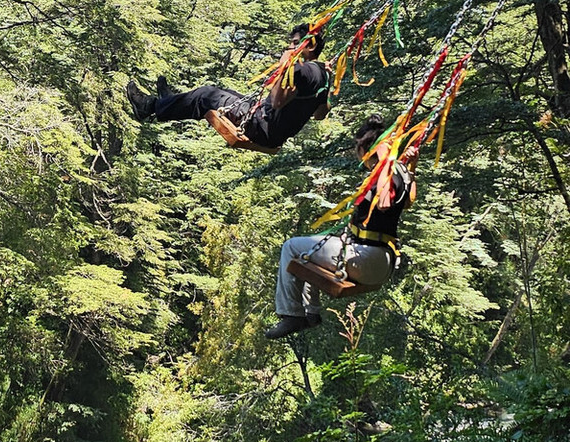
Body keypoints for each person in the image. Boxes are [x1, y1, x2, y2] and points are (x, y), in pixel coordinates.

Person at [265, 114, 417, 340]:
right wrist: (412, 164)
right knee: (309, 251)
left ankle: (292, 315)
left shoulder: (384, 172)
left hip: (367, 259)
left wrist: (384, 161)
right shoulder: (401, 171)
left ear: (366, 151)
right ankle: (311, 314)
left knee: (291, 247)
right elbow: (407, 201)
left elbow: (385, 204)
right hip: (383, 262)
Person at [126, 24, 331, 149]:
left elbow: (277, 101)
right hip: (272, 132)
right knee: (223, 93)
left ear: (310, 45)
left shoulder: (300, 69)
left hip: (259, 126)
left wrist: (283, 66)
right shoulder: (323, 74)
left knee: (206, 95)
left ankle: (150, 106)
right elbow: (320, 113)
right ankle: (168, 101)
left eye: (295, 43)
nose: (290, 47)